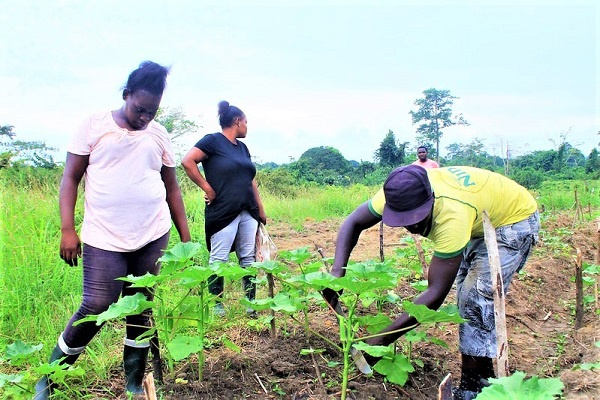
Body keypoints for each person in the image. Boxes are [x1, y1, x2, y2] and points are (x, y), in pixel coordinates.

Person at [35, 61, 191, 399]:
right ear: (126, 95)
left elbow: (172, 188)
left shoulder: (158, 134)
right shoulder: (94, 126)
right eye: (139, 109)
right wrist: (67, 229)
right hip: (104, 236)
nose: (145, 117)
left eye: (152, 111)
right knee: (96, 305)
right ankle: (48, 381)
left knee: (140, 307)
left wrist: (186, 238)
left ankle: (134, 383)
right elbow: (70, 178)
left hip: (152, 233)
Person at [327, 165, 539, 400]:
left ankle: (476, 386)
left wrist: (379, 341)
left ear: (431, 201)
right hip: (481, 212)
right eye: (403, 220)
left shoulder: (452, 213)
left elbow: (435, 293)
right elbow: (353, 223)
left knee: (475, 300)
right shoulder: (396, 193)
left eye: (417, 218)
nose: (412, 227)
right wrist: (337, 273)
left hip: (512, 221)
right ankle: (478, 373)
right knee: (467, 296)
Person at [181, 101, 266, 316]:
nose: (247, 126)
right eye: (246, 122)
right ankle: (217, 306)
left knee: (248, 257)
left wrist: (260, 208)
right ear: (237, 122)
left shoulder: (243, 148)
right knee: (219, 259)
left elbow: (251, 179)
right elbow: (188, 161)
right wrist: (207, 188)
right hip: (223, 210)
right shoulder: (212, 141)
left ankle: (250, 304)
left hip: (247, 209)